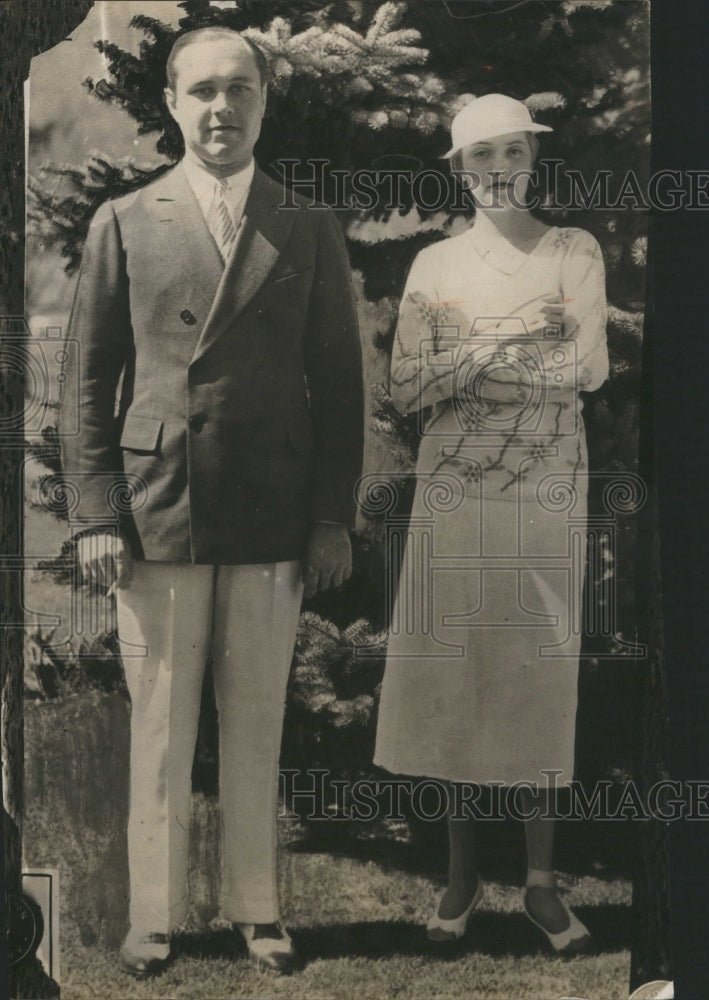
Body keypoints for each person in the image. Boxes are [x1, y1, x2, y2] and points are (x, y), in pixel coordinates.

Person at [59, 26, 363, 977]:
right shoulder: (124, 220)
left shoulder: (302, 223)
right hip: (157, 512)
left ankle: (256, 908)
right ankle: (150, 917)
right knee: (157, 720)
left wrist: (328, 518)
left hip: (271, 514)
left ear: (264, 103)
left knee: (256, 721)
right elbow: (83, 384)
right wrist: (96, 513)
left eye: (240, 90)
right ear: (174, 102)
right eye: (201, 92)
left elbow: (340, 385)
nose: (221, 109)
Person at [374, 93, 608, 953]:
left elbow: (584, 365)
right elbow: (406, 383)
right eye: (483, 156)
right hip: (455, 494)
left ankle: (542, 887)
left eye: (514, 151)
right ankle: (461, 879)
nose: (501, 169)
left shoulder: (573, 250)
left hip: (545, 490)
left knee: (537, 674)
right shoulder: (434, 264)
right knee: (455, 676)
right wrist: (513, 346)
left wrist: (466, 356)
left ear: (534, 158)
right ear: (460, 169)